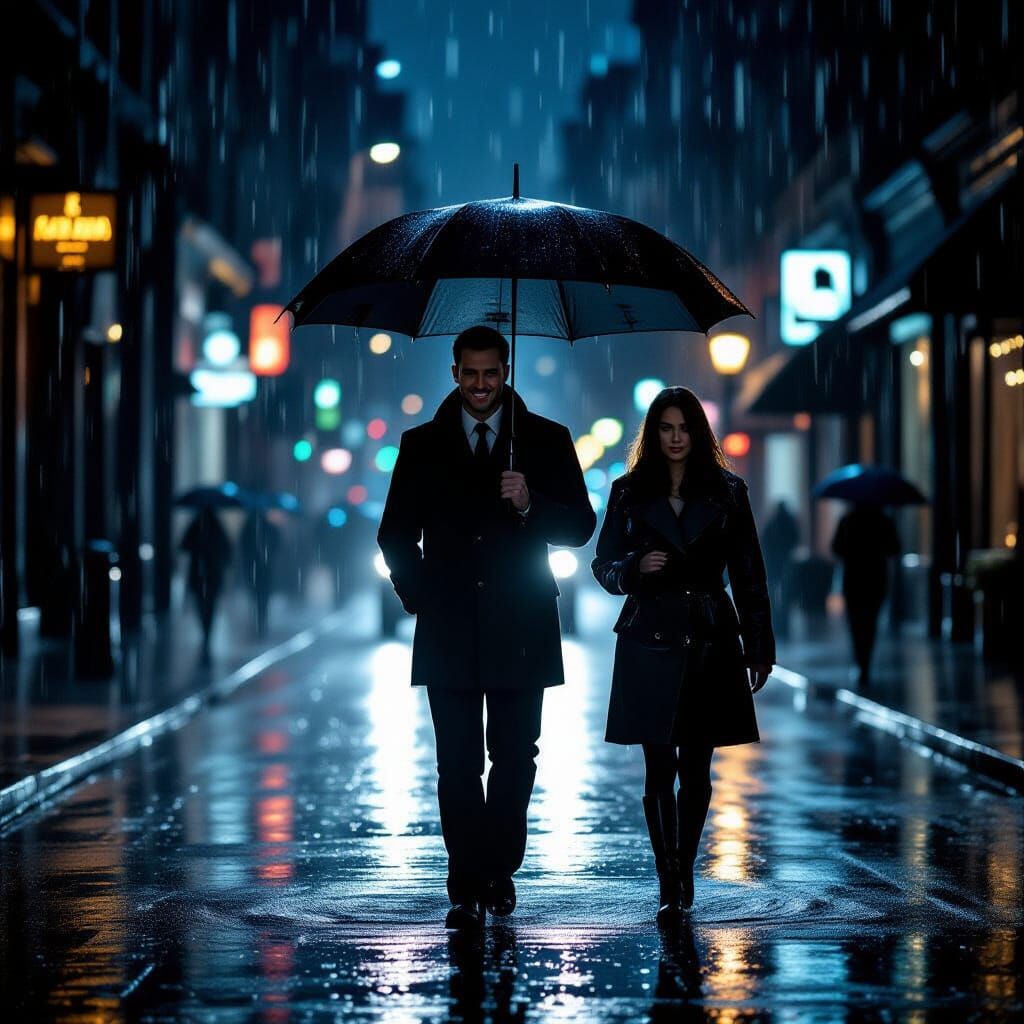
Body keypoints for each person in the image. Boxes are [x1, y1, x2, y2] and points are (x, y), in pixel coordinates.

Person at [378, 325, 596, 931]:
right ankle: (465, 876)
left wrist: (530, 504)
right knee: (457, 760)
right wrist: (420, 593)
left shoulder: (546, 441)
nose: (480, 386)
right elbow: (394, 533)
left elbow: (580, 525)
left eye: (491, 374)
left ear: (506, 372)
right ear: (454, 373)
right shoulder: (421, 445)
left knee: (515, 755)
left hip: (520, 622)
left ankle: (500, 868)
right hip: (449, 624)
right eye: (470, 374)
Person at [592, 386, 774, 922]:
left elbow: (749, 572)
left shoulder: (728, 492)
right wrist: (631, 570)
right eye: (666, 428)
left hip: (710, 637)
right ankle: (666, 873)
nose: (675, 438)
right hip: (649, 636)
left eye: (684, 428)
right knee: (656, 770)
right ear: (653, 434)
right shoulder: (627, 493)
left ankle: (685, 866)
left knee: (696, 767)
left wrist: (758, 644)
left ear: (698, 433)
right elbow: (602, 565)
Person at [831, 502, 900, 686]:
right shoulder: (884, 521)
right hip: (876, 579)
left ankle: (860, 661)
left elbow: (836, 548)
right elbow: (895, 548)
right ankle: (865, 662)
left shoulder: (847, 520)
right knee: (870, 622)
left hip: (853, 579)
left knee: (855, 622)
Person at [180, 506, 233, 663]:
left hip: (200, 574)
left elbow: (183, 545)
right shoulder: (218, 528)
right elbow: (227, 551)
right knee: (209, 606)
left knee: (202, 605)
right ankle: (207, 633)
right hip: (212, 574)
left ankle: (205, 632)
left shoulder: (196, 526)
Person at [239, 509, 282, 638]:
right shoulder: (266, 529)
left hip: (258, 569)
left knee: (259, 595)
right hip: (261, 569)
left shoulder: (250, 529)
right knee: (261, 596)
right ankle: (261, 619)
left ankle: (260, 619)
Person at [761, 500, 800, 637]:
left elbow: (764, 543)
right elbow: (795, 540)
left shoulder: (771, 525)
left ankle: (777, 623)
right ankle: (782, 625)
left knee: (775, 595)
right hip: (784, 565)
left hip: (774, 566)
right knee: (784, 596)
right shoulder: (788, 525)